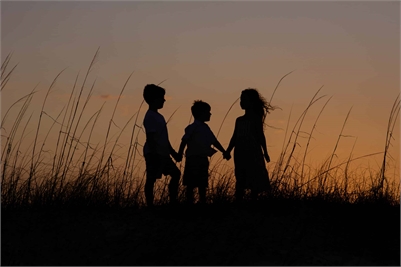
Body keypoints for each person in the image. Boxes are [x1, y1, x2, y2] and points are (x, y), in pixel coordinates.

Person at [223, 88, 273, 202]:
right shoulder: (239, 120)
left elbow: (260, 135)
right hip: (240, 153)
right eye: (241, 100)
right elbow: (234, 137)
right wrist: (228, 150)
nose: (241, 102)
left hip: (253, 152)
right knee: (240, 177)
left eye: (244, 100)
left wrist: (265, 152)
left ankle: (253, 201)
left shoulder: (255, 119)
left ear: (252, 102)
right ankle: (239, 201)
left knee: (254, 177)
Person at [177, 100, 227, 204]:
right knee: (191, 184)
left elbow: (214, 141)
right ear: (200, 113)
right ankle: (190, 202)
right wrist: (179, 154)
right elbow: (184, 141)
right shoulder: (192, 128)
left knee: (202, 183)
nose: (210, 114)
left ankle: (202, 202)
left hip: (202, 159)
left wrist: (224, 151)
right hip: (193, 159)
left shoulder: (205, 128)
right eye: (207, 112)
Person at [142, 84, 181, 207]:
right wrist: (153, 154)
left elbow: (164, 139)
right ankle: (150, 205)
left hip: (163, 153)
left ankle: (172, 201)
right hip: (155, 153)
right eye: (161, 97)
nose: (164, 100)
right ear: (154, 99)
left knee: (176, 173)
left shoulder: (160, 116)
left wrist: (173, 153)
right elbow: (151, 138)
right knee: (151, 178)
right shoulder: (150, 117)